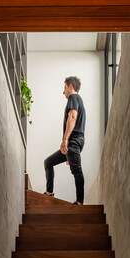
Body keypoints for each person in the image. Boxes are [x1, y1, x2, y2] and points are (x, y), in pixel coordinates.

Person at [44, 76, 86, 205]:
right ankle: (49, 193)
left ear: (70, 86)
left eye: (64, 88)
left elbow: (72, 117)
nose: (63, 92)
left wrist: (65, 139)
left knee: (77, 170)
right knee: (49, 162)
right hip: (76, 142)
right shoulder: (79, 100)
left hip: (72, 141)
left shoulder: (73, 98)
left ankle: (79, 203)